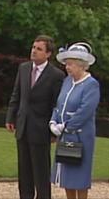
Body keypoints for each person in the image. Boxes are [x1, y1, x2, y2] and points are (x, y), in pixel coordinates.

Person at [5, 35, 66, 199]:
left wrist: (54, 132)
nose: (34, 51)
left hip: (41, 130)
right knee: (24, 172)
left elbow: (57, 105)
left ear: (48, 54)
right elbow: (16, 94)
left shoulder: (56, 75)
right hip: (22, 126)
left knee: (41, 173)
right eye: (33, 47)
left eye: (39, 49)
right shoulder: (23, 68)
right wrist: (11, 117)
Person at [49, 42, 100, 199]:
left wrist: (65, 126)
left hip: (80, 137)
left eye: (70, 64)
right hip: (65, 137)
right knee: (66, 177)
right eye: (66, 64)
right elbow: (59, 105)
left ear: (81, 65)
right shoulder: (67, 81)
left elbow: (85, 111)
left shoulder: (91, 85)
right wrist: (53, 122)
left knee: (79, 177)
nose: (67, 67)